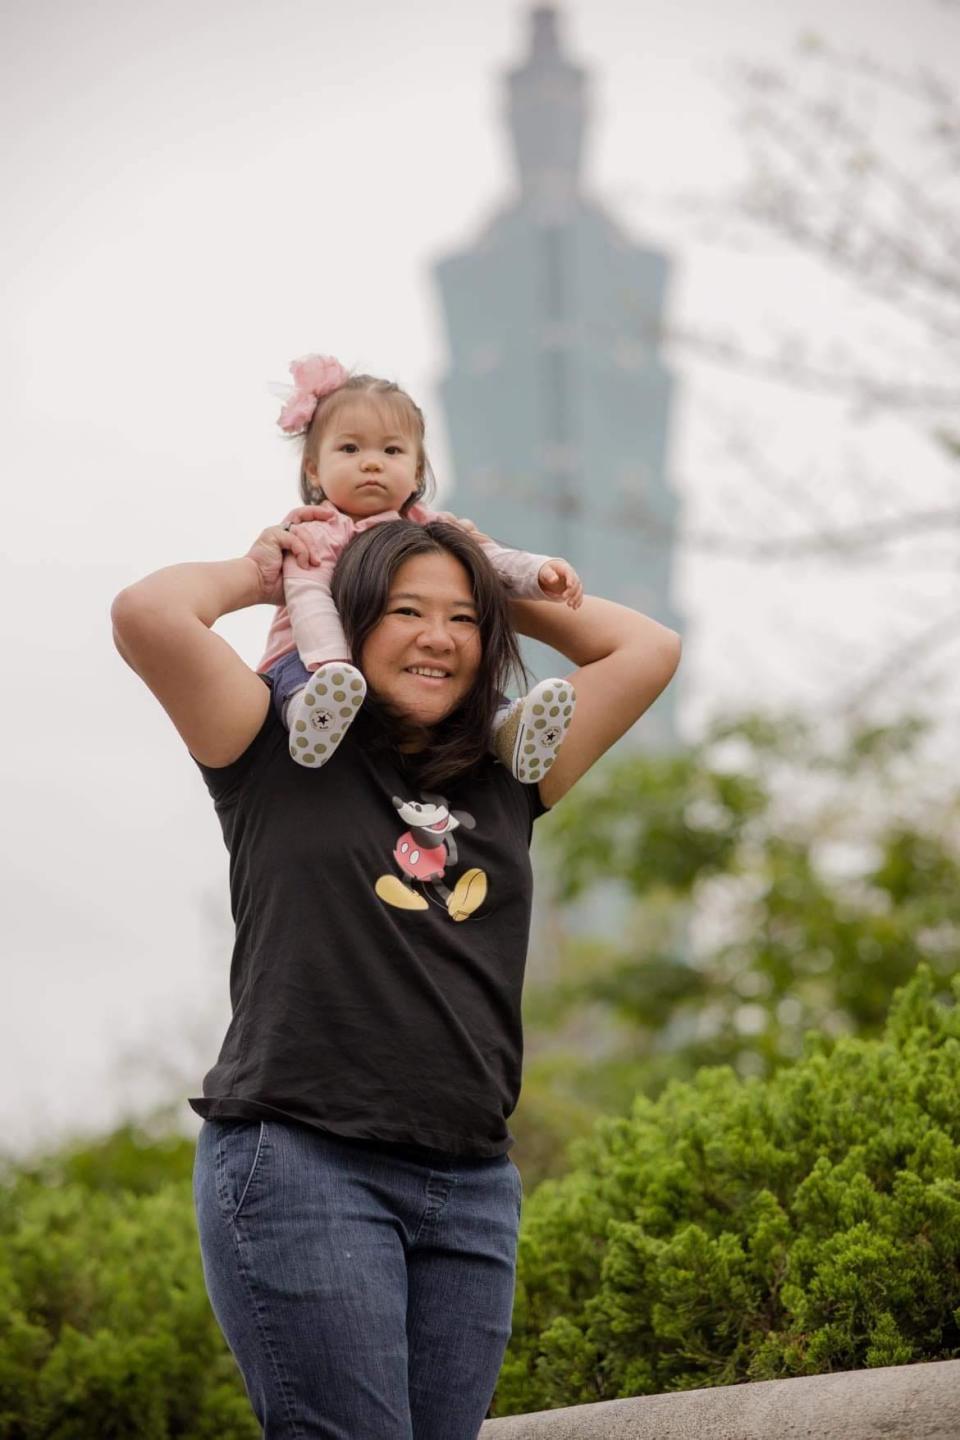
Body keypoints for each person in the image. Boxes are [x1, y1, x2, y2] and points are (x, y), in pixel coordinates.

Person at [110, 511, 681, 1439]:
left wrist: (497, 581)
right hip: (306, 1161)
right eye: (407, 611)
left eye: (463, 621)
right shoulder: (277, 744)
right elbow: (148, 613)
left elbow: (647, 648)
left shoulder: (511, 768)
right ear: (352, 616)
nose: (438, 638)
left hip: (472, 1181)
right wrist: (280, 573)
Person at [263, 353, 582, 783]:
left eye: (391, 450)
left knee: (471, 690)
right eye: (350, 448)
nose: (371, 462)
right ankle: (311, 714)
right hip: (311, 656)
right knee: (290, 678)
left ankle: (509, 730)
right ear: (314, 469)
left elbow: (488, 561)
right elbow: (308, 599)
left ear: (416, 473)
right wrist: (334, 665)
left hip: (384, 668)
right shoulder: (313, 534)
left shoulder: (429, 529)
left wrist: (540, 573)